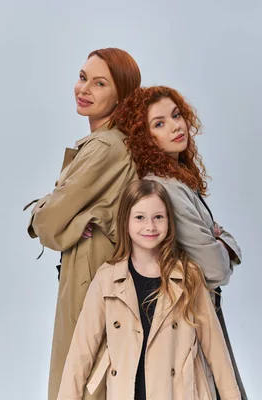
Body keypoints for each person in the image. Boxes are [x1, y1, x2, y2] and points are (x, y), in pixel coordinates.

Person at [109, 86, 247, 398]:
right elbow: (215, 269)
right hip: (189, 313)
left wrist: (218, 239)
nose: (175, 126)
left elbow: (215, 241)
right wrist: (223, 244)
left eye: (176, 115)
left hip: (196, 309)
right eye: (158, 123)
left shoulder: (178, 179)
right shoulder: (165, 188)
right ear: (146, 138)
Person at [25, 48, 140, 400]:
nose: (84, 89)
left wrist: (50, 213)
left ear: (121, 95)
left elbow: (46, 220)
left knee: (79, 381)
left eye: (99, 83)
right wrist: (75, 221)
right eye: (82, 77)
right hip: (96, 275)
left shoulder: (104, 148)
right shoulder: (114, 144)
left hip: (89, 278)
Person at [57, 179, 241, 400]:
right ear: (125, 221)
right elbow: (81, 353)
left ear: (169, 222)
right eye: (140, 217)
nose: (150, 227)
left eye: (158, 217)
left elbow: (216, 350)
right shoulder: (107, 278)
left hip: (180, 393)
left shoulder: (189, 275)